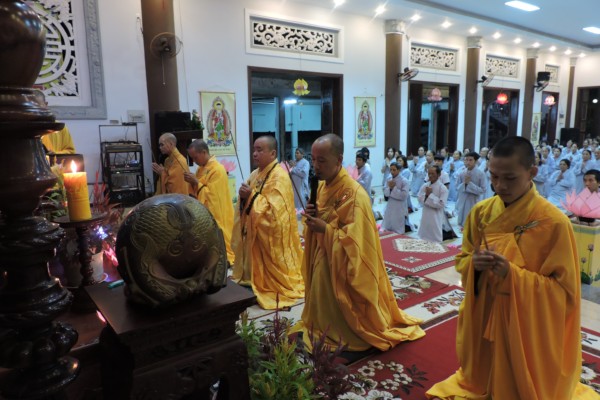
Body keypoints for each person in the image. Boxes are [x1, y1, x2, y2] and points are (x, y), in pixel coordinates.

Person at [426, 136, 597, 400]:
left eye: (510, 178)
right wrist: (474, 265)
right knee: (483, 374)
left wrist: (512, 275)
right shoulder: (481, 213)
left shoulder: (553, 223)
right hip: (485, 309)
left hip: (526, 323)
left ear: (532, 172)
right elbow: (463, 260)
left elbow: (565, 293)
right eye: (494, 177)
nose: (500, 186)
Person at [291, 134, 424, 352]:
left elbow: (357, 243)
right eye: (313, 159)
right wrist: (313, 217)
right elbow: (324, 220)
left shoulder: (354, 194)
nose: (315, 166)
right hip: (323, 252)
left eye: (321, 160)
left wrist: (325, 229)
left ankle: (340, 329)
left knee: (328, 291)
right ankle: (321, 325)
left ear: (338, 160)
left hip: (338, 262)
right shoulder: (323, 187)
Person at [231, 135, 304, 309]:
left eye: (259, 150)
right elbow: (248, 202)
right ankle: (253, 277)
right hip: (254, 231)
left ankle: (269, 280)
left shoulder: (279, 176)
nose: (255, 154)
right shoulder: (255, 174)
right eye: (254, 149)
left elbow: (274, 215)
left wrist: (251, 196)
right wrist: (243, 197)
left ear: (272, 153)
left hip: (273, 237)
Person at [184, 139, 235, 265]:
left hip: (217, 210)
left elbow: (213, 196)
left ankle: (224, 257)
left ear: (204, 152)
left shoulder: (217, 169)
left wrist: (196, 182)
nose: (194, 161)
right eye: (192, 158)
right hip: (204, 210)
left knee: (219, 233)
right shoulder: (200, 169)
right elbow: (198, 190)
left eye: (195, 157)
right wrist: (192, 182)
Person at [417, 165, 448, 243]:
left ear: (439, 174)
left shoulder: (442, 188)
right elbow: (419, 197)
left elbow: (441, 204)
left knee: (435, 235)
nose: (430, 176)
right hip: (425, 213)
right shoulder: (425, 185)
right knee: (424, 233)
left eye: (433, 174)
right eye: (429, 173)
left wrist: (430, 195)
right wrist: (426, 196)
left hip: (436, 215)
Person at [455, 152, 486, 228]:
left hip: (473, 200)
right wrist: (465, 184)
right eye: (466, 160)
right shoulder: (462, 172)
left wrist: (470, 184)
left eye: (470, 160)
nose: (468, 162)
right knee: (461, 220)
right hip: (462, 199)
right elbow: (457, 187)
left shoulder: (481, 173)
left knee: (472, 221)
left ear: (476, 161)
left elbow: (483, 190)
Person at [382, 162, 409, 234]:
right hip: (390, 204)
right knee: (388, 222)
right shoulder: (388, 178)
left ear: (399, 170)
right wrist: (389, 188)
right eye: (391, 170)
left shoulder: (404, 181)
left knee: (397, 224)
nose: (392, 172)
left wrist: (394, 188)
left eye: (394, 170)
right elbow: (385, 192)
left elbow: (404, 195)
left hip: (399, 205)